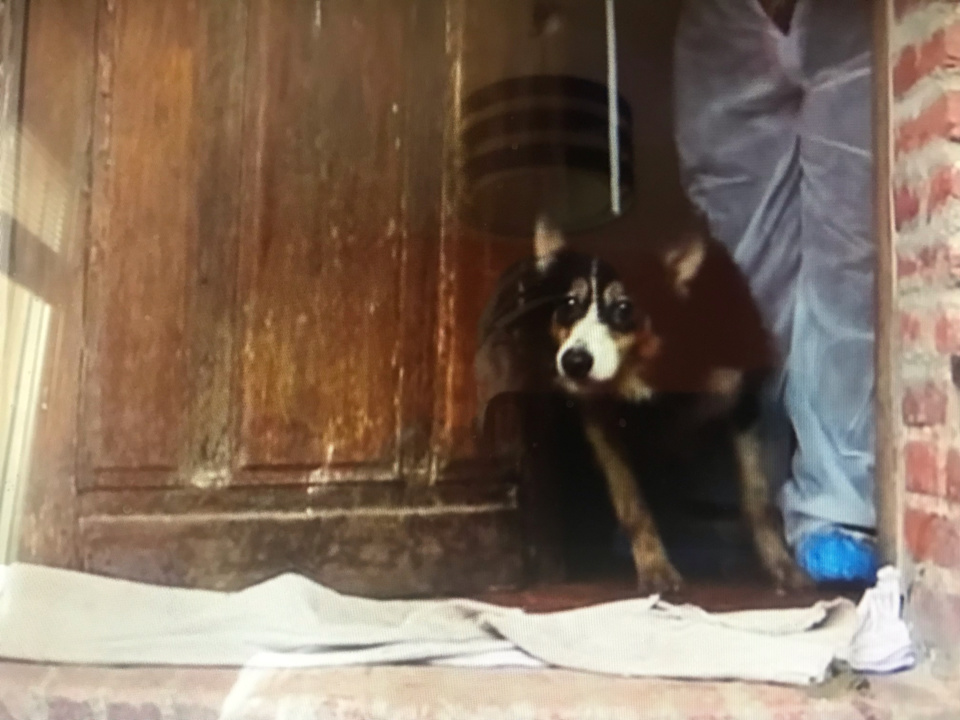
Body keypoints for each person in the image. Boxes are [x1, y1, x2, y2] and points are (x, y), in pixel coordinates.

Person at [673, 0, 879, 583]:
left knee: (851, 255)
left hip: (855, 16)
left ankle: (839, 509)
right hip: (723, 20)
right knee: (744, 271)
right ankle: (748, 497)